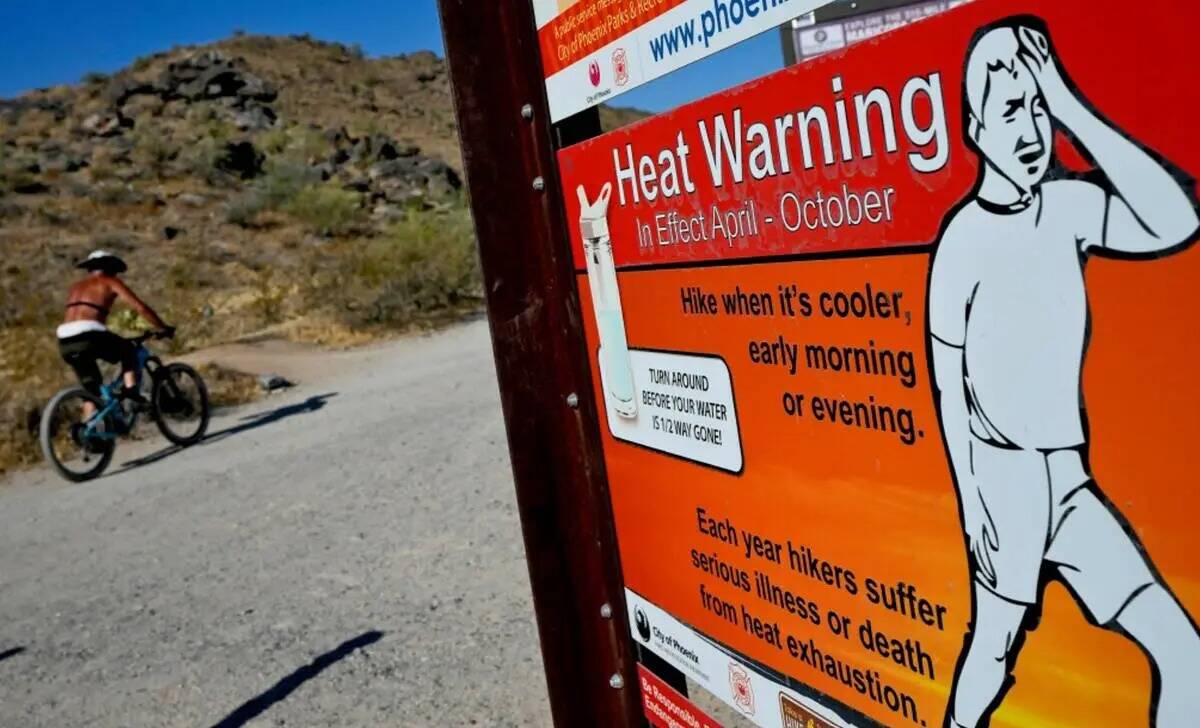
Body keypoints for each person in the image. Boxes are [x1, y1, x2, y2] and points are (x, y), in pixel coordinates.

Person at [927, 16, 1200, 728]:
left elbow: (1174, 220)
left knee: (1182, 650)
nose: (1030, 128)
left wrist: (1069, 102)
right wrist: (972, 506)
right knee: (990, 655)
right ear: (976, 128)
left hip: (1067, 483)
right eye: (1010, 110)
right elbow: (948, 386)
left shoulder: (1068, 207)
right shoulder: (961, 243)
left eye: (1037, 107)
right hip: (1006, 486)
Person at [57, 250, 174, 413]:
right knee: (129, 350)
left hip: (65, 339)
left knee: (92, 392)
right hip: (89, 334)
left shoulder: (76, 287)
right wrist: (162, 327)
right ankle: (132, 392)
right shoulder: (110, 282)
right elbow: (140, 307)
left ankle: (88, 432)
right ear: (110, 267)